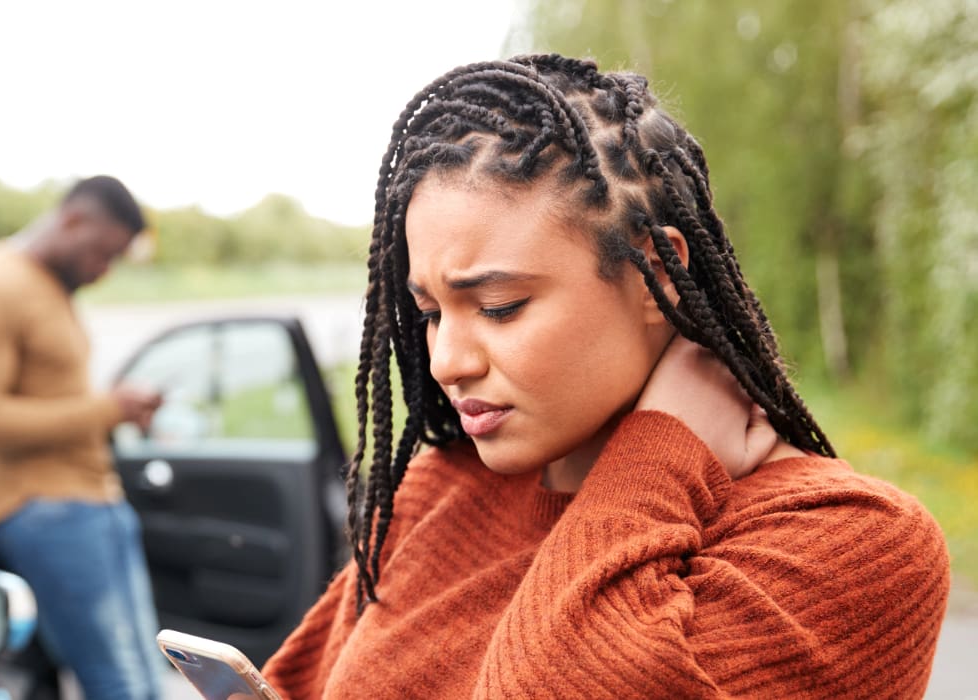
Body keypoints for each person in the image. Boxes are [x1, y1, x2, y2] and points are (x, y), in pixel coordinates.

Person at [259, 55, 950, 698]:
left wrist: (658, 456)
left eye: (499, 308)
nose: (446, 362)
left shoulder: (853, 545)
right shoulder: (443, 486)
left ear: (655, 276)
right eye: (433, 313)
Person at [0, 175, 164, 700]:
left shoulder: (48, 282)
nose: (102, 270)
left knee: (147, 676)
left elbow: (52, 393)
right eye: (100, 254)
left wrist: (115, 408)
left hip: (92, 503)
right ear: (71, 220)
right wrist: (109, 409)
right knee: (119, 683)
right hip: (46, 508)